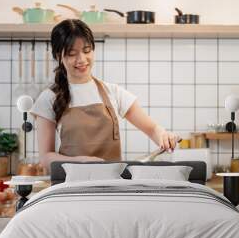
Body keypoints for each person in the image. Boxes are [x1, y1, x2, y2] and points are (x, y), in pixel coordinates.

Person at [30, 19, 180, 170]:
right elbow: (46, 158)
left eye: (87, 50)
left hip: (112, 187)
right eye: (71, 53)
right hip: (71, 189)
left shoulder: (113, 92)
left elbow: (152, 129)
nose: (81, 59)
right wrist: (81, 162)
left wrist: (164, 135)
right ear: (58, 56)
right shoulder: (49, 98)